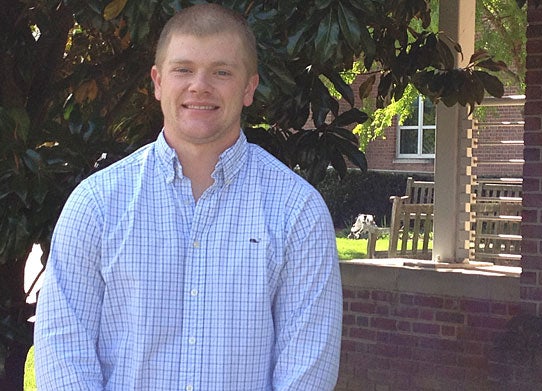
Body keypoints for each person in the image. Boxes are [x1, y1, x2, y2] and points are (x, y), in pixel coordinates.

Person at [34, 4, 342, 390]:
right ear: (158, 82)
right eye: (183, 69)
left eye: (222, 72)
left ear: (249, 88)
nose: (200, 85)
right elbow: (63, 354)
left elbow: (307, 372)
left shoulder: (297, 211)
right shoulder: (96, 205)